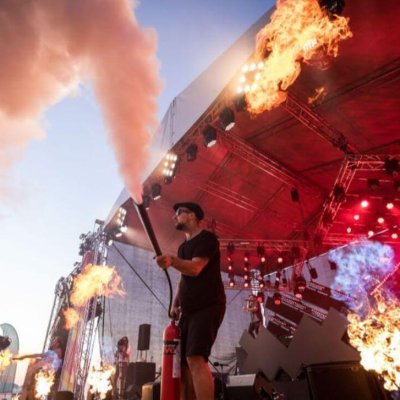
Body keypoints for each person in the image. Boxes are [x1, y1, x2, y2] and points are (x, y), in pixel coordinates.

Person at [156, 202, 226, 400]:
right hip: (188, 310)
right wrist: (176, 302)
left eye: (179, 212)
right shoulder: (182, 248)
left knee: (195, 358)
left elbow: (195, 269)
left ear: (192, 215)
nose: (174, 217)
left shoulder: (207, 239)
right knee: (182, 365)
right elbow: (183, 278)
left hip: (208, 306)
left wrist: (172, 261)